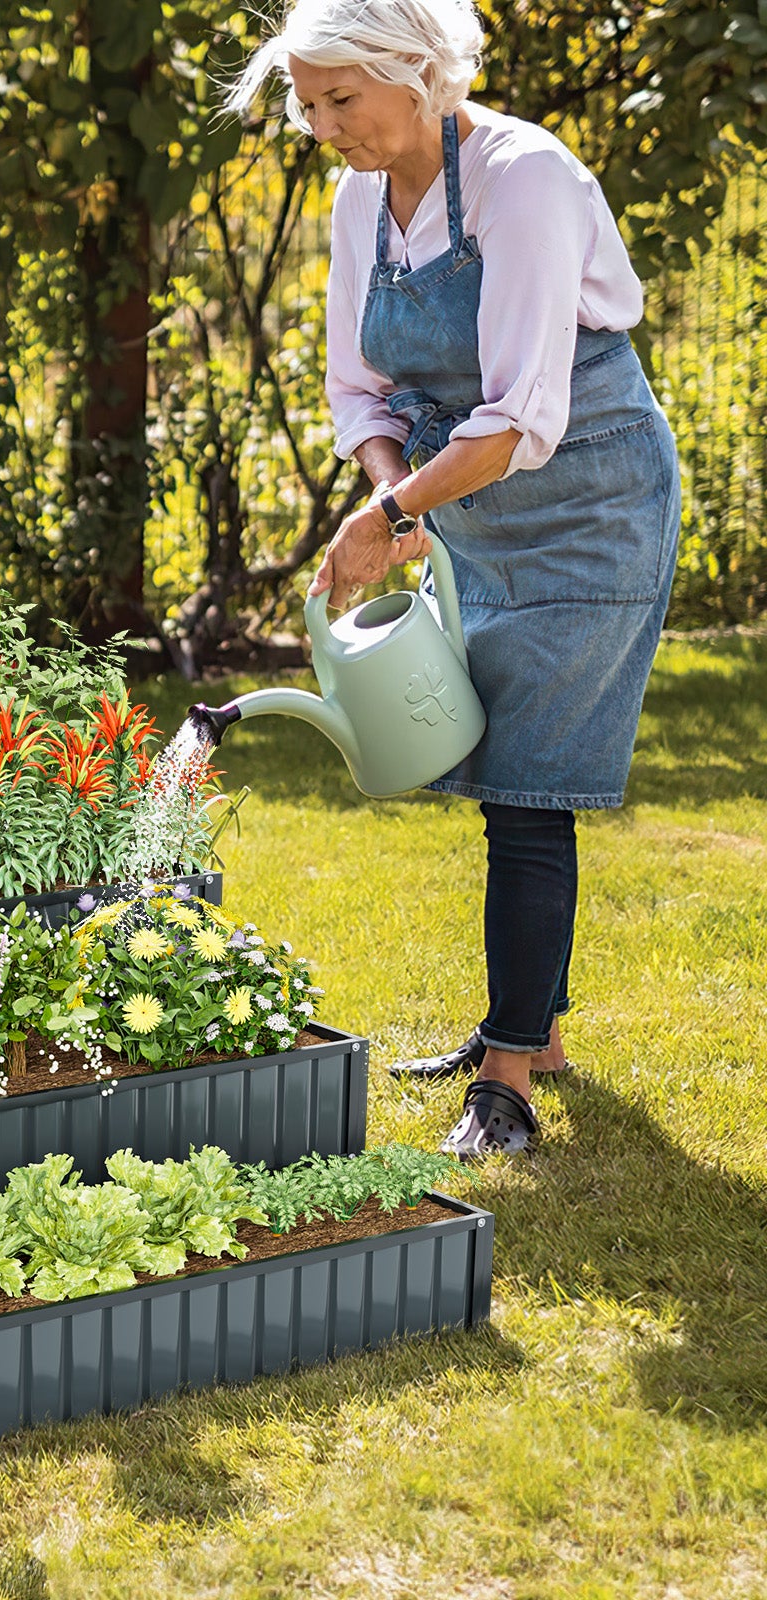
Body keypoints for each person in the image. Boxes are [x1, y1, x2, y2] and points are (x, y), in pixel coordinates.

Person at [229, 0, 680, 1157]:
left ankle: (510, 1073)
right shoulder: (358, 199)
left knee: (531, 790)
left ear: (418, 73)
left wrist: (390, 512)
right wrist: (391, 495)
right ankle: (536, 1033)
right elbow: (358, 391)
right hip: (462, 502)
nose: (321, 124)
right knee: (503, 775)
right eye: (306, 102)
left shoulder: (524, 178)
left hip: (585, 504)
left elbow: (523, 413)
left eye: (341, 99)